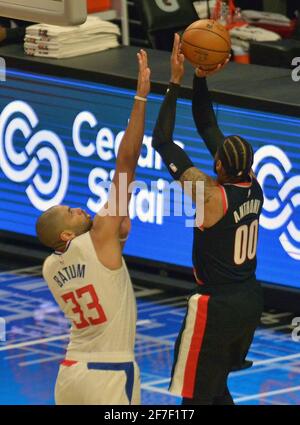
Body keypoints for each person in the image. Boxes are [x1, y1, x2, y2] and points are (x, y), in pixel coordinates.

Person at [151, 34, 264, 405]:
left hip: (215, 305)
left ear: (219, 164)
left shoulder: (210, 195)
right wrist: (200, 76)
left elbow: (163, 142)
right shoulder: (253, 185)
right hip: (249, 299)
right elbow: (206, 123)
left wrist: (175, 81)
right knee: (215, 388)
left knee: (195, 396)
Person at [36, 50, 151, 405]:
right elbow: (126, 162)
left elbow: (100, 265)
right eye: (71, 211)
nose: (80, 207)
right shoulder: (100, 234)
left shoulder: (49, 266)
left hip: (70, 374)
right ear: (66, 235)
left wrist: (116, 228)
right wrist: (141, 96)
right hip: (109, 373)